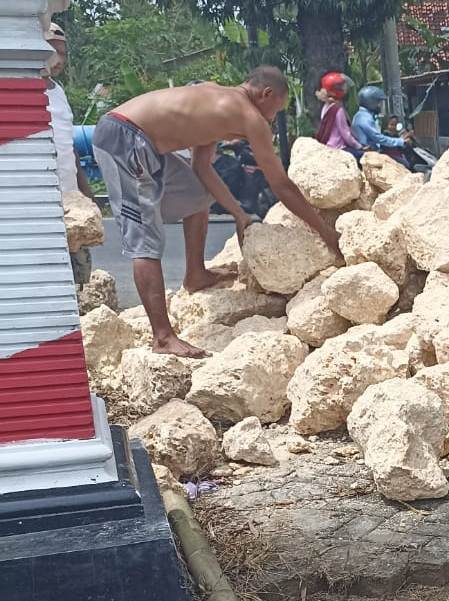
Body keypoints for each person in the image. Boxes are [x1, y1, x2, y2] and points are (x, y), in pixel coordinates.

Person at [92, 66, 342, 358]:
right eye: (277, 109)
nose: (273, 118)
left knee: (198, 194)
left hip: (140, 137)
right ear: (266, 94)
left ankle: (195, 274)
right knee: (145, 238)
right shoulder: (250, 117)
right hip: (125, 136)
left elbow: (201, 168)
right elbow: (281, 186)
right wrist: (326, 233)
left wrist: (239, 215)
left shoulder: (217, 102)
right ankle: (162, 338)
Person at [44, 22, 96, 285]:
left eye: (63, 54)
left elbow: (69, 145)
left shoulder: (59, 92)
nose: (59, 60)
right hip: (42, 201)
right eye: (53, 52)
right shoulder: (22, 90)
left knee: (78, 272)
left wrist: (85, 191)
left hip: (70, 199)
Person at [352, 86, 412, 153]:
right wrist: (400, 141)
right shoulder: (364, 118)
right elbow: (378, 138)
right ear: (371, 102)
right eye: (378, 102)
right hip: (368, 153)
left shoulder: (362, 116)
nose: (380, 106)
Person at [314, 71, 361, 154]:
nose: (344, 88)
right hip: (339, 147)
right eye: (340, 86)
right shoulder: (338, 109)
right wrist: (359, 146)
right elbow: (346, 134)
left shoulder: (326, 106)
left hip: (328, 146)